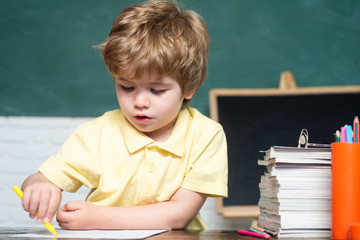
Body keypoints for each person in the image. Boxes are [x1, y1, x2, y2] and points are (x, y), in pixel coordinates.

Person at [20, 0, 228, 230]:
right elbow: (42, 178)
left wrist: (97, 218)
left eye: (157, 90)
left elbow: (178, 215)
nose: (139, 102)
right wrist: (40, 185)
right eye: (127, 87)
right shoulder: (96, 134)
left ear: (190, 87)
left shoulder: (206, 135)